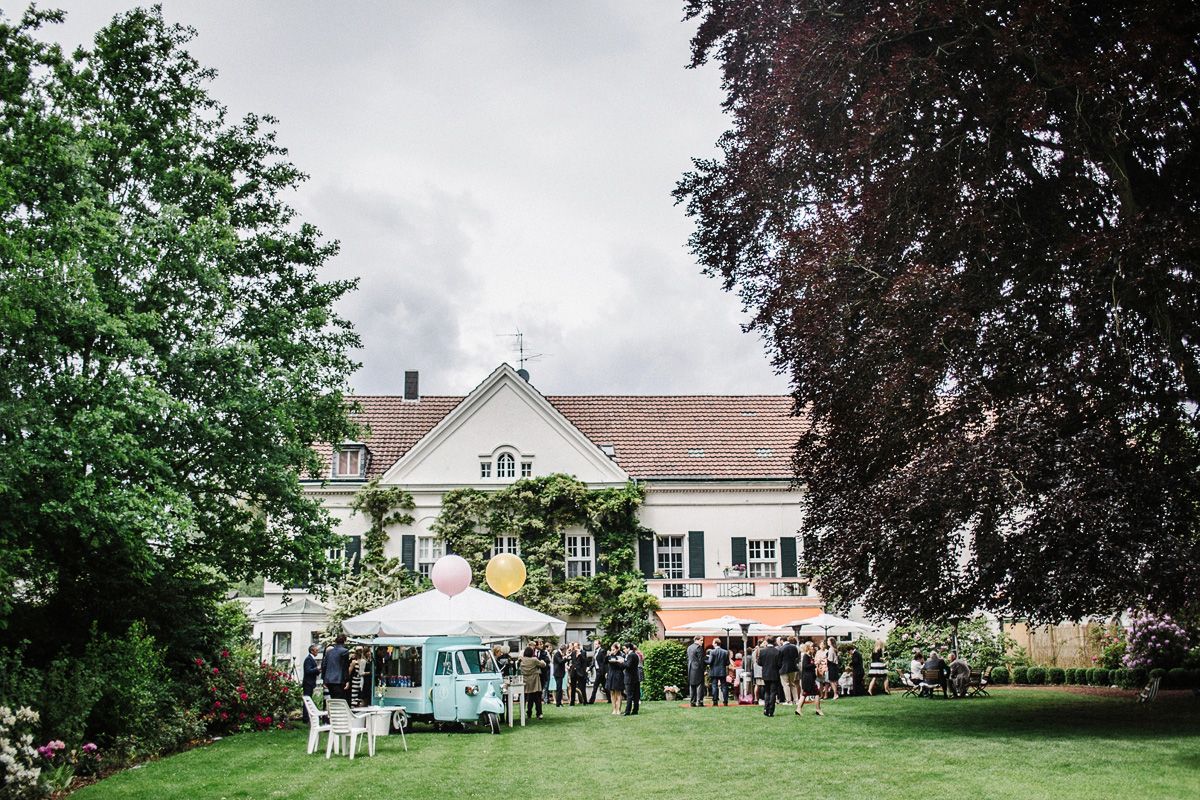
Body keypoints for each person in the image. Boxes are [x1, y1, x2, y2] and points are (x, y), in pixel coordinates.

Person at [796, 641, 824, 716]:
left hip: (809, 678)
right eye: (811, 646)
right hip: (808, 678)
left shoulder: (809, 656)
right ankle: (818, 709)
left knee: (805, 694)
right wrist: (814, 663)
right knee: (817, 693)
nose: (813, 648)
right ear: (808, 647)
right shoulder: (806, 656)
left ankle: (798, 709)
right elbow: (805, 666)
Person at [322, 634, 351, 701]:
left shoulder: (329, 652)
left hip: (329, 679)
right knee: (339, 699)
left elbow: (324, 665)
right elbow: (345, 667)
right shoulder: (345, 651)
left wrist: (324, 679)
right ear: (344, 641)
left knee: (333, 698)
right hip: (339, 680)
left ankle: (333, 711)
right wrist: (347, 680)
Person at [758, 636, 781, 716]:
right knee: (773, 692)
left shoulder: (762, 651)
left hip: (765, 673)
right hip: (774, 674)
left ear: (767, 642)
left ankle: (765, 709)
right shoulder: (777, 651)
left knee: (767, 692)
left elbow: (759, 663)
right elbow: (779, 664)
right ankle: (771, 711)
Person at [519, 646, 544, 720]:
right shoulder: (534, 660)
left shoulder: (521, 660)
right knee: (537, 698)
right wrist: (542, 661)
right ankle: (539, 714)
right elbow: (543, 665)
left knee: (524, 698)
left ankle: (525, 714)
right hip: (534, 681)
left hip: (525, 681)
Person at [707, 638, 730, 706]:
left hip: (714, 671)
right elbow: (727, 663)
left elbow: (710, 662)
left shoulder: (712, 652)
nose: (712, 644)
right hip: (722, 671)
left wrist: (705, 661)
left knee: (714, 686)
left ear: (716, 643)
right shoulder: (725, 652)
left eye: (713, 643)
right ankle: (725, 701)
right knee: (724, 686)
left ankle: (715, 701)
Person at [606, 643, 626, 715]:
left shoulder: (621, 655)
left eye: (614, 649)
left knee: (618, 692)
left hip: (618, 675)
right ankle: (614, 709)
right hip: (611, 674)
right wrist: (608, 655)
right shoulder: (610, 655)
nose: (612, 651)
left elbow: (623, 666)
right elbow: (605, 662)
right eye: (611, 649)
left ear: (617, 649)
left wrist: (617, 660)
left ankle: (618, 710)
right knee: (612, 692)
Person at [302, 644, 320, 722]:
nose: (318, 652)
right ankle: (305, 718)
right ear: (312, 651)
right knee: (307, 700)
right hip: (308, 683)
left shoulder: (311, 659)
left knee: (309, 699)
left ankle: (307, 716)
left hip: (310, 682)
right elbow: (308, 671)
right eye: (316, 650)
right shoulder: (308, 659)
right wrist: (317, 668)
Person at [779, 636, 800, 705]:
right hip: (793, 667)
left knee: (786, 685)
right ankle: (796, 700)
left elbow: (779, 660)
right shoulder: (794, 647)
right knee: (792, 684)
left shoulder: (781, 648)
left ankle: (789, 701)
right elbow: (797, 657)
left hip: (784, 668)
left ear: (782, 640)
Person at [622, 642, 641, 716]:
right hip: (635, 677)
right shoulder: (635, 655)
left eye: (624, 648)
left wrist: (622, 662)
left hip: (629, 678)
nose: (623, 650)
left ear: (628, 648)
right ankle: (635, 710)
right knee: (636, 695)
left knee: (629, 695)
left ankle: (627, 711)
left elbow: (628, 665)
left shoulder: (630, 655)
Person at [687, 636, 706, 707]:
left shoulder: (689, 647)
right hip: (698, 668)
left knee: (692, 685)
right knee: (699, 685)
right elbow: (701, 660)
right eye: (701, 640)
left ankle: (692, 702)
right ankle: (700, 702)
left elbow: (688, 658)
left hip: (690, 668)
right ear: (697, 640)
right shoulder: (699, 648)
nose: (702, 642)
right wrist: (704, 669)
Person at [590, 638, 609, 704]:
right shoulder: (596, 651)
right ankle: (610, 699)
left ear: (599, 644)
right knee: (604, 686)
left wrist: (606, 672)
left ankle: (591, 701)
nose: (595, 645)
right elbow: (594, 662)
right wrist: (589, 668)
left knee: (595, 686)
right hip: (597, 670)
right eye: (594, 644)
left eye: (596, 644)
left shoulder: (602, 651)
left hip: (601, 671)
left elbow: (604, 662)